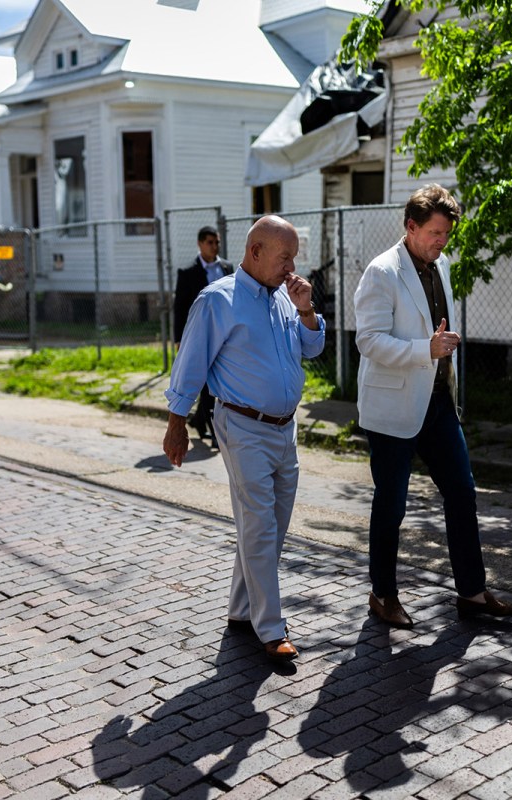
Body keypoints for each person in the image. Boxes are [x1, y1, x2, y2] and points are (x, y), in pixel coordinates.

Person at [354, 184, 512, 629]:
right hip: (394, 408)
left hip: (437, 402)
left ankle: (471, 592)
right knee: (392, 505)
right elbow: (368, 340)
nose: (442, 241)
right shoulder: (381, 271)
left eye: (447, 234)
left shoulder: (441, 264)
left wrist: (437, 354)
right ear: (410, 227)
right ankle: (383, 594)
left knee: (462, 492)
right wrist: (424, 349)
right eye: (434, 233)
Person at [163, 215, 325, 662]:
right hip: (242, 426)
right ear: (255, 252)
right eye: (285, 256)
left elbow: (312, 349)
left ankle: (241, 608)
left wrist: (308, 310)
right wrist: (176, 423)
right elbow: (190, 362)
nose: (292, 266)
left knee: (271, 524)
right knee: (260, 524)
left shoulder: (285, 298)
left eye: (293, 257)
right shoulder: (218, 300)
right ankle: (270, 627)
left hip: (284, 429)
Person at [173, 226, 234, 444]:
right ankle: (215, 430)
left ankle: (201, 420)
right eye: (210, 242)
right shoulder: (188, 272)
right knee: (207, 384)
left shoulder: (227, 267)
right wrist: (179, 338)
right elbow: (179, 308)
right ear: (200, 244)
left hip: (225, 335)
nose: (214, 246)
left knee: (219, 382)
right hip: (200, 336)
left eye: (217, 242)